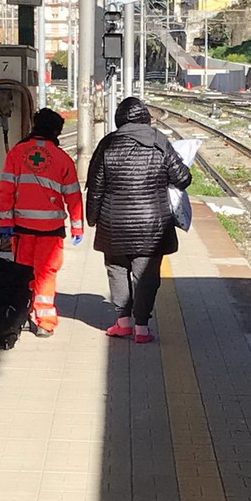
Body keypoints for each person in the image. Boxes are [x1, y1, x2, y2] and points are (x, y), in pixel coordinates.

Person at [86, 97, 192, 343]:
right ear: (145, 118)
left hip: (113, 223)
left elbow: (95, 187)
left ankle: (123, 322)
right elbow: (182, 179)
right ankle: (142, 328)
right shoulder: (159, 141)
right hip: (152, 225)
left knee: (117, 270)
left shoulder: (108, 143)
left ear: (119, 119)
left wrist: (91, 218)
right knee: (146, 277)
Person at [0, 108, 83, 338]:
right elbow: (73, 196)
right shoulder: (62, 158)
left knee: (23, 273)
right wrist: (77, 226)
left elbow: (6, 189)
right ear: (56, 131)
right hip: (51, 230)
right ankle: (45, 322)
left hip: (21, 228)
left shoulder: (17, 153)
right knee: (46, 273)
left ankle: (22, 316)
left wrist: (6, 221)